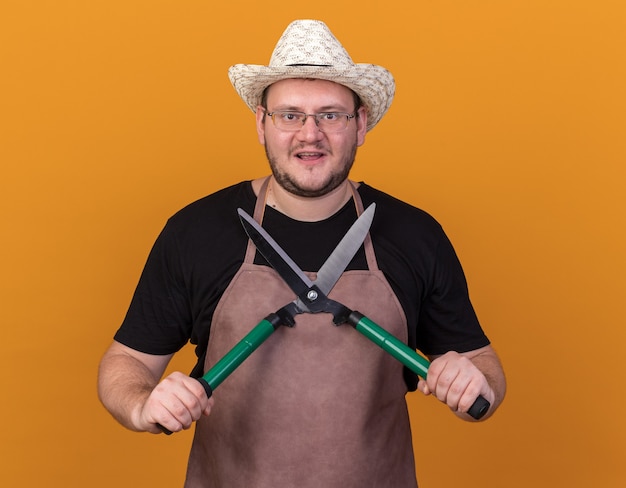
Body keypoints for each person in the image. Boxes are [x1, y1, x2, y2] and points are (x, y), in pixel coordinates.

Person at [98, 19, 506, 488]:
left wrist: (478, 385)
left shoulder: (415, 235)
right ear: (261, 123)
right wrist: (141, 405)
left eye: (331, 115)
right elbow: (124, 363)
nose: (310, 134)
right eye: (289, 114)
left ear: (361, 125)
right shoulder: (196, 232)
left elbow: (486, 370)